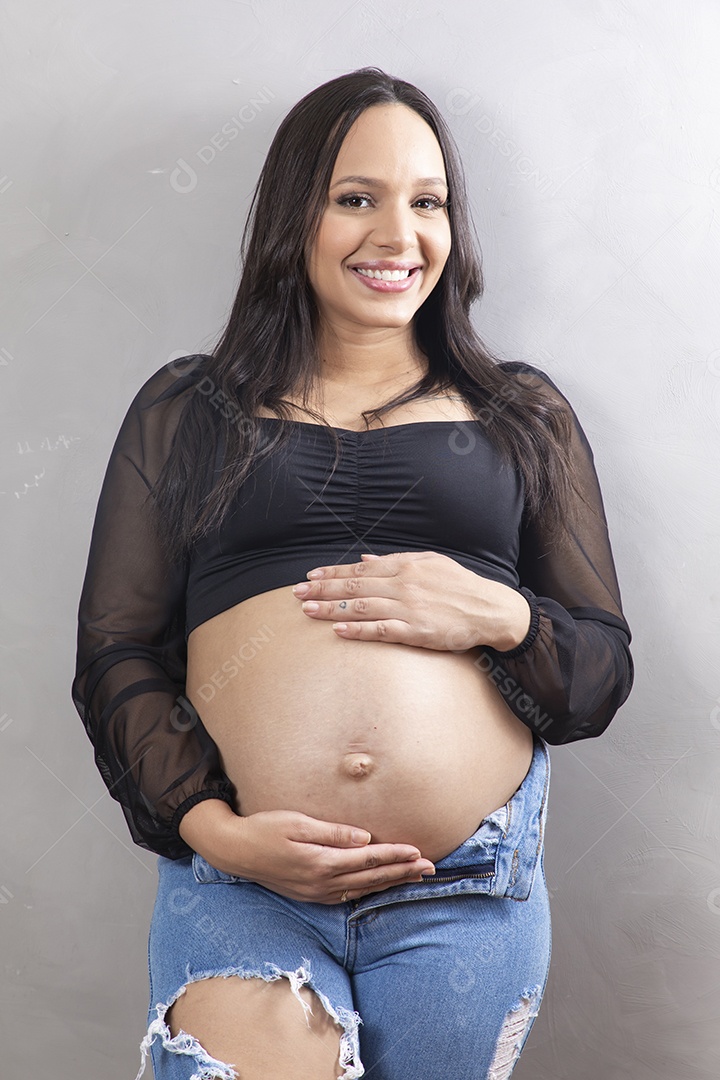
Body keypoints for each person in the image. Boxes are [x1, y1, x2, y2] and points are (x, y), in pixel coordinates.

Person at [71, 67, 633, 1080]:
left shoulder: (520, 417)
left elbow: (597, 674)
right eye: (355, 198)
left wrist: (497, 613)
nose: (398, 234)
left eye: (427, 202)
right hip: (244, 884)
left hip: (463, 889)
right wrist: (215, 831)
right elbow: (117, 653)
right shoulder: (190, 410)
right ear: (296, 216)